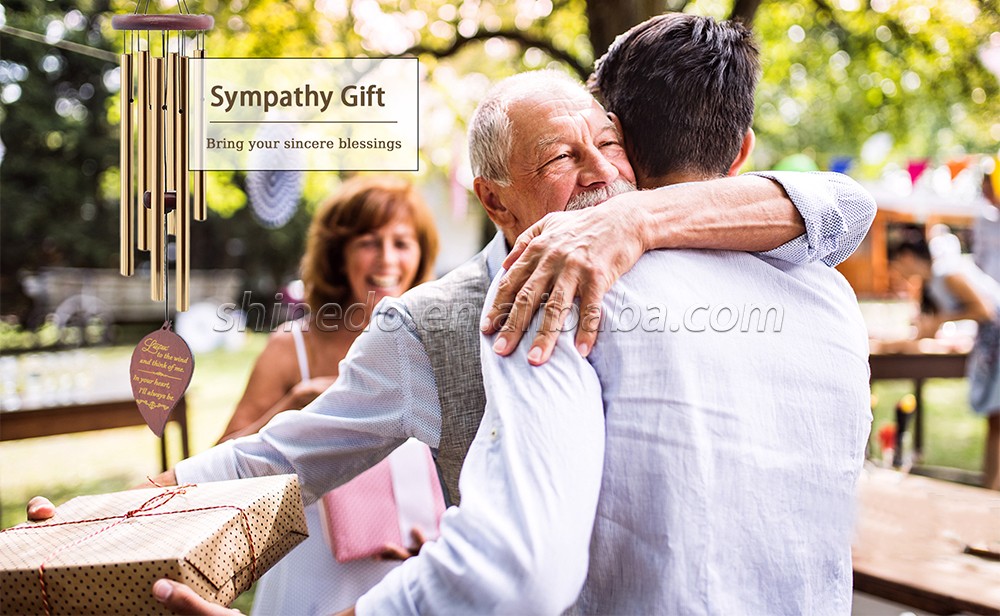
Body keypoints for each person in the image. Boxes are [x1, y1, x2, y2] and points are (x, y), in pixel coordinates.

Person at [30, 66, 875, 613]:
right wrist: (118, 513)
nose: (601, 172)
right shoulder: (438, 319)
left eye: (608, 144)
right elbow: (281, 456)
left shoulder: (692, 258)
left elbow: (843, 208)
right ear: (496, 200)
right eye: (559, 157)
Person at [220, 175, 441, 615]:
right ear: (339, 253)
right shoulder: (292, 348)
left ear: (420, 254)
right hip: (308, 574)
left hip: (405, 577)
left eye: (402, 242)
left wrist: (443, 535)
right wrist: (292, 407)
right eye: (368, 242)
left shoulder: (433, 344)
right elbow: (222, 466)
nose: (387, 259)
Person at [889, 230, 1000, 489]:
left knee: (997, 417)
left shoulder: (947, 272)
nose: (895, 270)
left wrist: (941, 320)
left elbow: (984, 310)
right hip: (990, 344)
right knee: (994, 418)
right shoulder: (931, 282)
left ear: (907, 257)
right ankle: (991, 485)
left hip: (995, 339)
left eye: (895, 262)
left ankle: (993, 488)